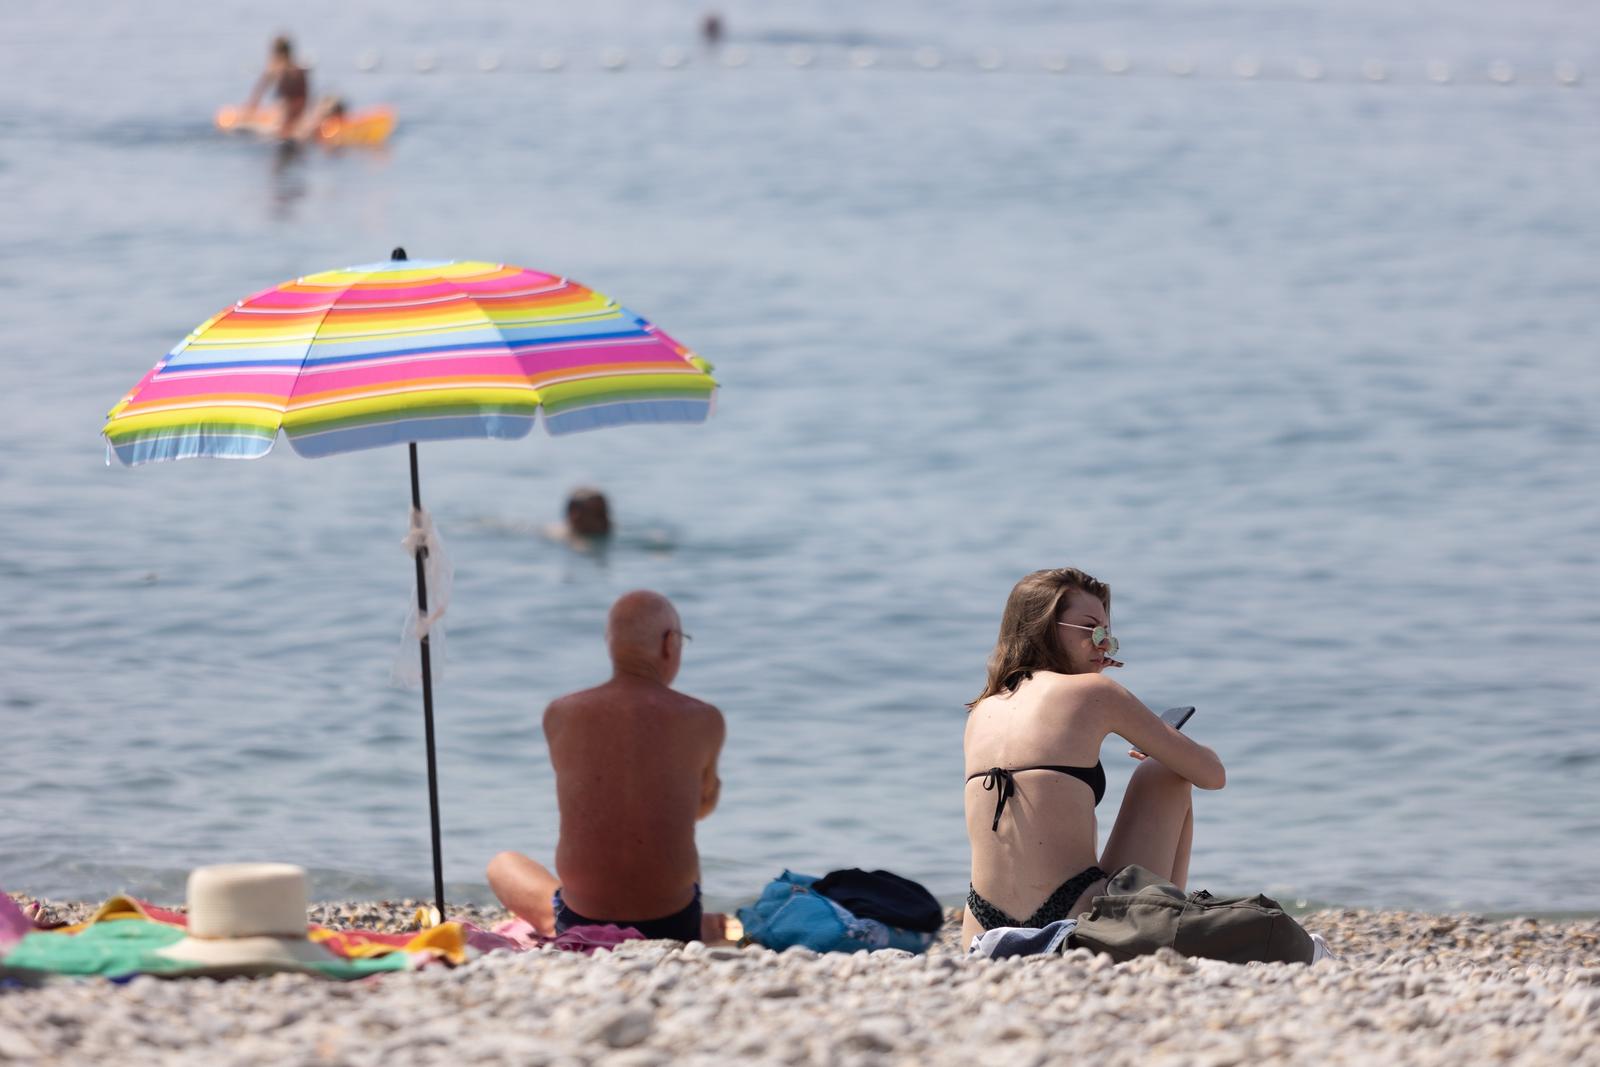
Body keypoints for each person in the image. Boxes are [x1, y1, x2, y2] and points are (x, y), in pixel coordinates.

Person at [961, 568, 1226, 947]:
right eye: (1092, 631)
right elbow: (1212, 774)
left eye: (1109, 634)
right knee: (1163, 772)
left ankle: (1169, 922)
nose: (1105, 644)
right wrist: (1168, 747)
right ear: (1045, 627)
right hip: (1074, 918)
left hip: (982, 927)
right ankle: (1169, 929)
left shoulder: (982, 710)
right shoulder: (1093, 690)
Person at [487, 591, 728, 941]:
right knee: (678, 842)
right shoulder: (704, 718)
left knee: (502, 865)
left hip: (581, 918)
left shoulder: (560, 714)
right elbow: (698, 811)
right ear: (669, 643)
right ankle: (698, 922)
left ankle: (562, 925)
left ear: (610, 645)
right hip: (674, 924)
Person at [245, 35, 309, 140]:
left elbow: (258, 92)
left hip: (288, 118)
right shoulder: (299, 70)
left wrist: (248, 113)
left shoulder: (277, 70)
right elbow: (304, 98)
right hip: (299, 114)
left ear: (276, 53)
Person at [542, 487, 613, 550]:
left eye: (602, 513)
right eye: (596, 514)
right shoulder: (559, 535)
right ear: (575, 516)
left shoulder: (609, 529)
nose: (603, 520)